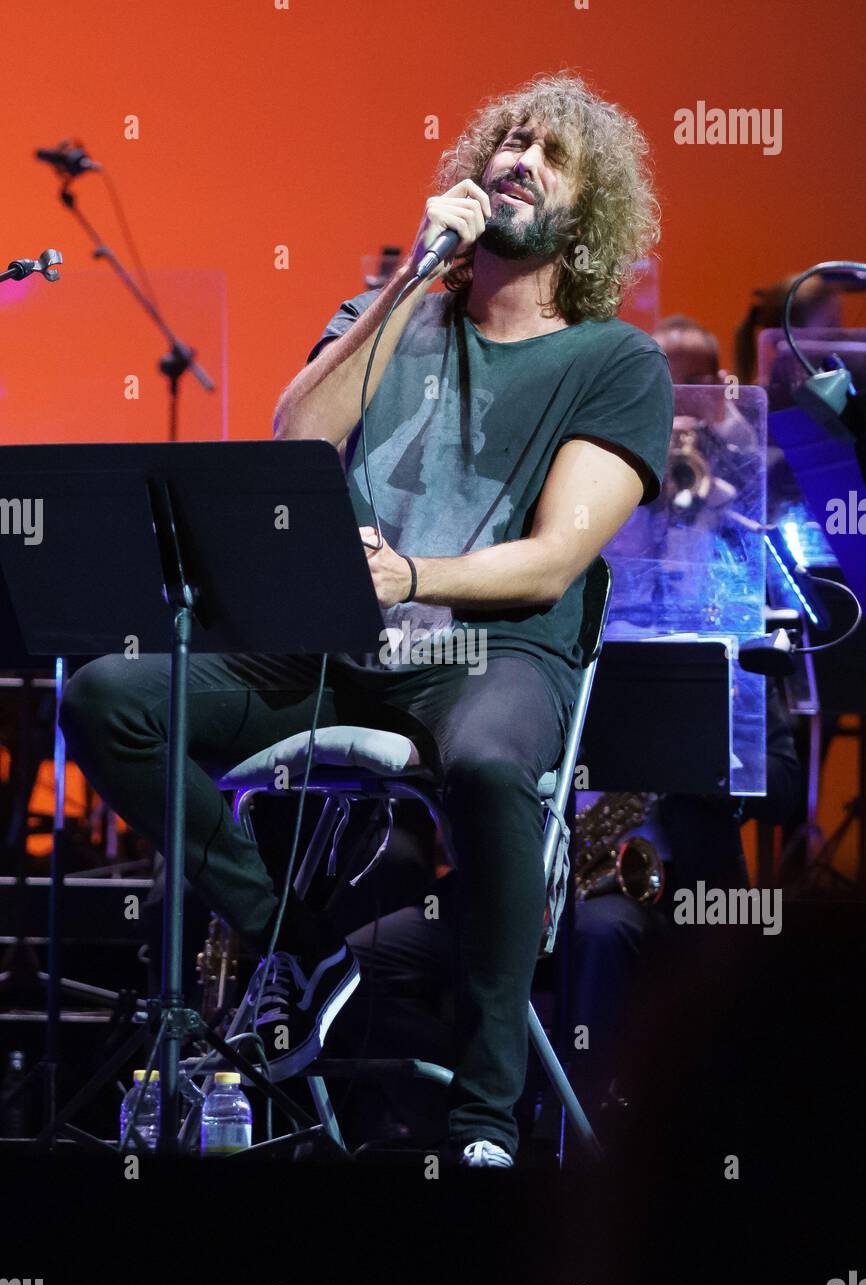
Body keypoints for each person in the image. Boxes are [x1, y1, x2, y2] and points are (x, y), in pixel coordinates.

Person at [58, 70, 674, 1167]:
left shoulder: (611, 360)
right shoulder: (389, 315)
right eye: (509, 141)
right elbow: (295, 437)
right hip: (335, 641)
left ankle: (484, 1117)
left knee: (490, 769)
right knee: (108, 695)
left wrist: (416, 574)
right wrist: (408, 278)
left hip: (487, 648)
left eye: (551, 155)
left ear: (585, 212)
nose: (518, 160)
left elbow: (551, 563)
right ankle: (290, 939)